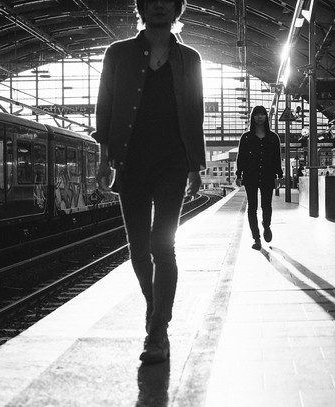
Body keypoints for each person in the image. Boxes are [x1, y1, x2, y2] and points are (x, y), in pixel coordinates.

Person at [94, 0, 205, 364]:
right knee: (138, 249)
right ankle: (155, 307)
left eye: (166, 0)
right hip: (130, 161)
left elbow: (195, 111)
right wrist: (103, 159)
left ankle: (157, 330)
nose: (159, 5)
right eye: (151, 0)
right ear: (142, 7)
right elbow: (105, 107)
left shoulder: (190, 59)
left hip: (173, 162)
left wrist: (195, 166)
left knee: (163, 246)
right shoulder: (118, 54)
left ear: (176, 9)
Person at [235, 105, 283, 250]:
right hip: (250, 176)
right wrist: (238, 174)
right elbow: (241, 157)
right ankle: (256, 238)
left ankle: (266, 225)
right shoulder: (246, 137)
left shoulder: (273, 137)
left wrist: (279, 175)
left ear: (266, 117)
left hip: (268, 176)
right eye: (257, 114)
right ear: (253, 117)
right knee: (252, 207)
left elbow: (277, 158)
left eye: (262, 114)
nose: (260, 116)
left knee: (267, 205)